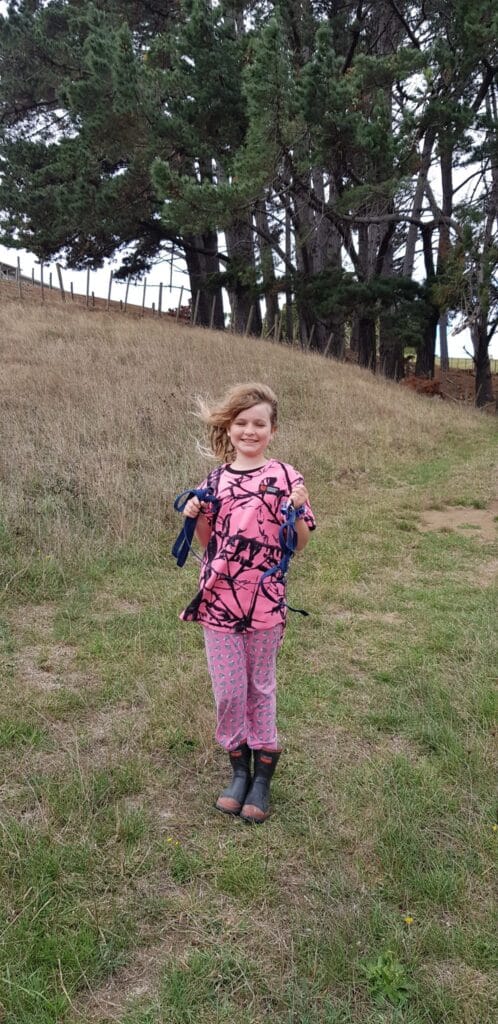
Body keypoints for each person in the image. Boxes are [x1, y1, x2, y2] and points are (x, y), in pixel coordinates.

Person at [179, 382, 315, 823]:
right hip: (218, 601)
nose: (249, 431)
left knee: (260, 687)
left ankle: (262, 781)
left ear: (272, 430)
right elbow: (208, 542)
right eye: (242, 423)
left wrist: (297, 511)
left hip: (265, 603)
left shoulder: (287, 477)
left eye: (259, 423)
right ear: (230, 427)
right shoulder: (215, 480)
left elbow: (301, 542)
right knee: (228, 690)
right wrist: (195, 516)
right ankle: (238, 770)